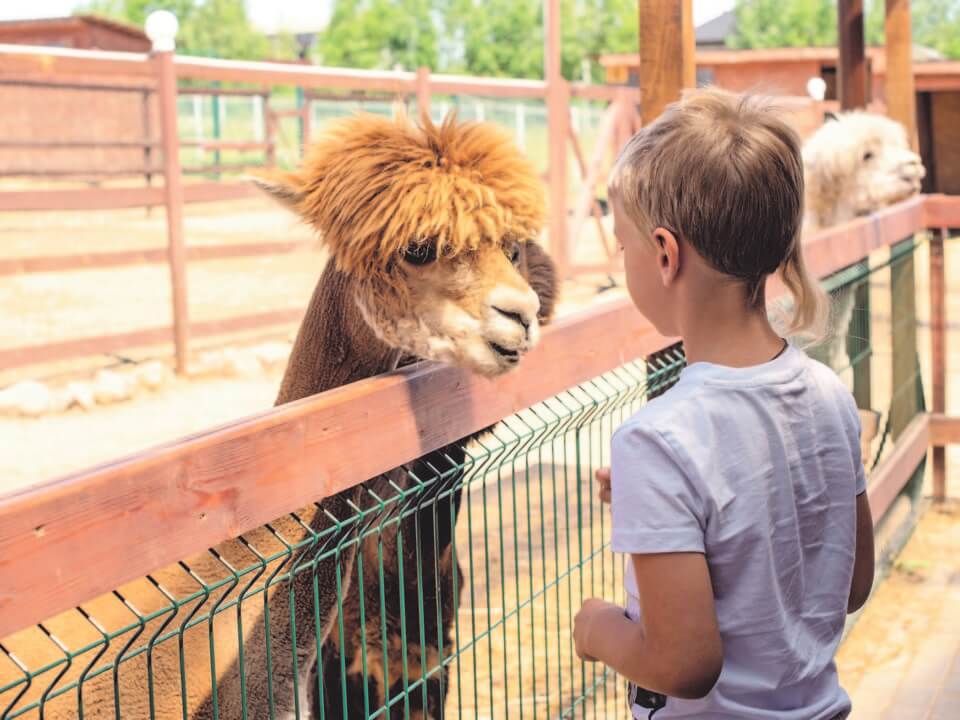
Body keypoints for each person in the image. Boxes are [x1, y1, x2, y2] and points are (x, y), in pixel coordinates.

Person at [572, 88, 876, 720]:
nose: (622, 261)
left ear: (665, 254)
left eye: (623, 247)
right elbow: (851, 582)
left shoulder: (658, 441)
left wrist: (598, 629)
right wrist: (668, 504)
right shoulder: (830, 395)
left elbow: (684, 666)